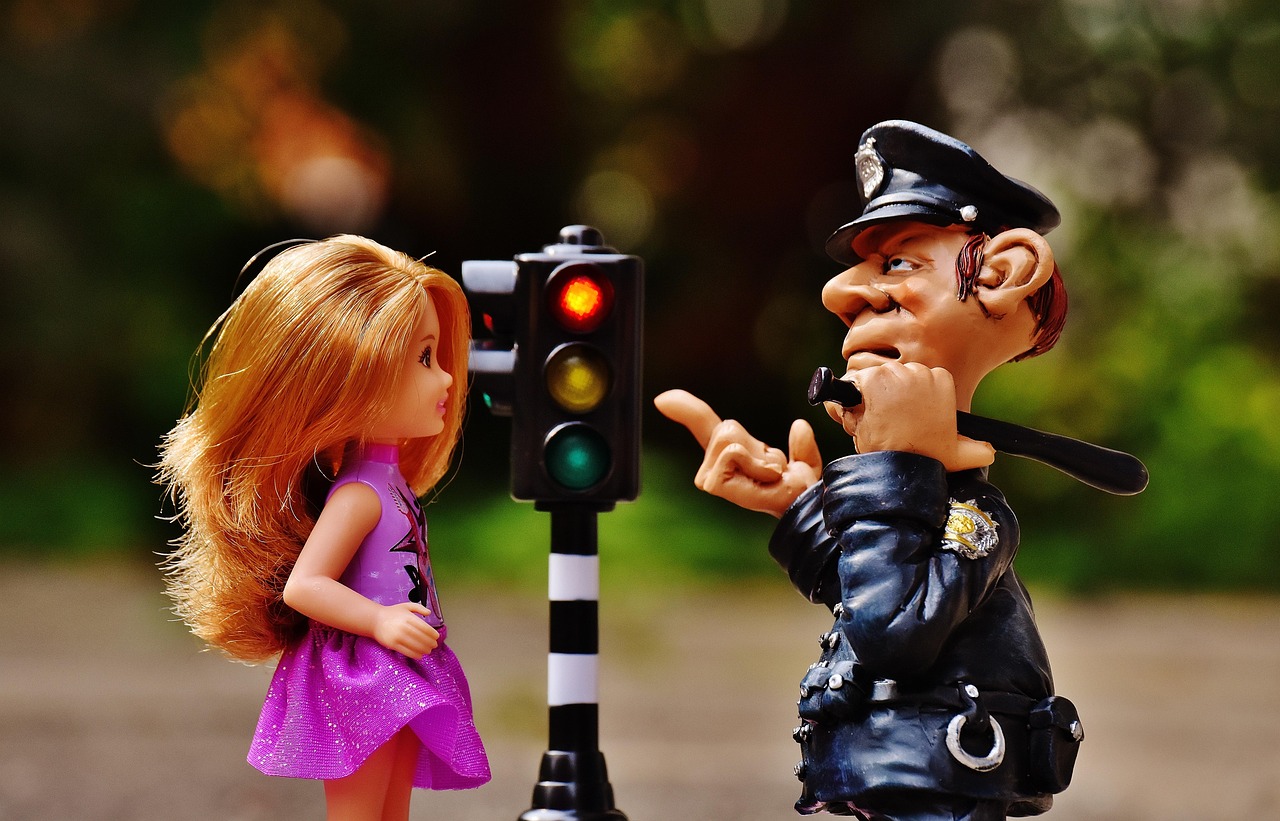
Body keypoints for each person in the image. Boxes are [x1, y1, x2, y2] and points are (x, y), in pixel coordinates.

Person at [656, 121, 1084, 819]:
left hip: (944, 780)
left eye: (899, 264)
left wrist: (894, 463)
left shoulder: (976, 518)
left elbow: (894, 631)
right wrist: (801, 506)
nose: (841, 293)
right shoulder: (921, 504)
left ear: (1003, 272)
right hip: (888, 776)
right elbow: (865, 591)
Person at [158, 236, 490, 820]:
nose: (445, 380)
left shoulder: (391, 486)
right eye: (423, 358)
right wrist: (380, 620)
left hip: (403, 667)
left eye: (438, 357)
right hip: (364, 674)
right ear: (353, 376)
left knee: (392, 810)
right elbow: (305, 586)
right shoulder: (359, 495)